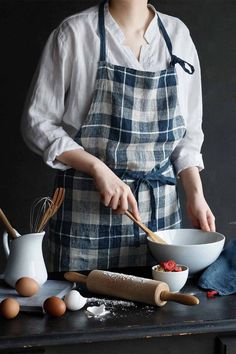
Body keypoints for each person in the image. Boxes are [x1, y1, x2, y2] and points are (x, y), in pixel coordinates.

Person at [21, 0, 215, 272]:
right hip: (85, 218)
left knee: (159, 311)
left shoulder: (177, 35)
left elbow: (188, 135)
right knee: (81, 309)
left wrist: (195, 194)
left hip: (159, 220)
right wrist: (98, 168)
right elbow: (37, 123)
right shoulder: (75, 33)